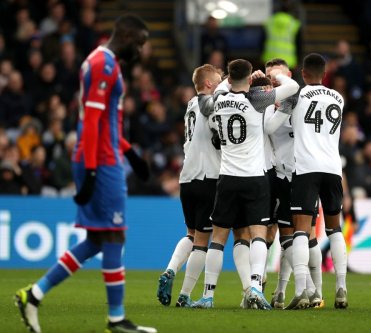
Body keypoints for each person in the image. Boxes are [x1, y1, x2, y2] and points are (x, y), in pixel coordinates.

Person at [14, 15, 156, 333]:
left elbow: (104, 123)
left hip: (106, 155)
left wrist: (130, 151)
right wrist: (92, 169)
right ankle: (116, 319)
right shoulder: (104, 65)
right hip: (101, 162)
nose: (142, 50)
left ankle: (33, 296)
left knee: (96, 239)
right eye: (141, 43)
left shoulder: (101, 61)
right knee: (115, 235)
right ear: (129, 37)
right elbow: (90, 122)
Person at [192, 59, 299, 309]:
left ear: (228, 77)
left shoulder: (218, 98)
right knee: (258, 234)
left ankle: (208, 295)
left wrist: (231, 80)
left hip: (227, 178)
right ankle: (254, 288)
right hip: (254, 178)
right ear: (250, 79)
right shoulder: (257, 100)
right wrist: (274, 80)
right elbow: (293, 87)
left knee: (218, 238)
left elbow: (215, 96)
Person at [156, 64, 223, 307]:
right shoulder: (210, 104)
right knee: (203, 241)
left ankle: (170, 270)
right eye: (218, 79)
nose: (222, 82)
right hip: (208, 176)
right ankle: (184, 295)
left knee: (191, 234)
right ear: (208, 84)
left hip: (187, 177)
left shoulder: (191, 105)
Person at [286, 53, 348, 310]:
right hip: (333, 168)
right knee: (335, 229)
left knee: (301, 229)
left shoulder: (297, 95)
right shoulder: (339, 98)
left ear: (303, 73)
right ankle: (342, 288)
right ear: (324, 74)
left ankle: (301, 288)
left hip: (306, 167)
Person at [263, 58, 323, 309]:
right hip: (276, 175)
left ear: (289, 76)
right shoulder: (265, 104)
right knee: (279, 236)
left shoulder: (302, 101)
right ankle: (280, 291)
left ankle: (314, 290)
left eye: (277, 78)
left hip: (301, 175)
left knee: (303, 236)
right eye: (269, 79)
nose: (273, 83)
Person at [261, 4, 301, 69]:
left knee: (270, 79)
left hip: (269, 60)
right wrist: (298, 61)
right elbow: (299, 44)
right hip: (288, 62)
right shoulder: (294, 24)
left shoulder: (270, 22)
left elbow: (262, 40)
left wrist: (262, 57)